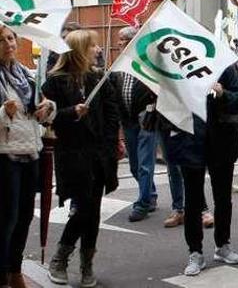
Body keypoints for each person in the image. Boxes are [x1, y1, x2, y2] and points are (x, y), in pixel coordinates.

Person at [43, 30, 120, 288]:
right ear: (78, 50)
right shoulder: (54, 82)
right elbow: (45, 117)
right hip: (73, 155)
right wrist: (70, 112)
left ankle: (87, 263)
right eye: (92, 46)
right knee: (85, 208)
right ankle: (61, 258)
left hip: (98, 155)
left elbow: (112, 114)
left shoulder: (99, 78)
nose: (97, 50)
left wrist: (110, 146)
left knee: (93, 210)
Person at [164, 64, 238, 277]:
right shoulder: (178, 66)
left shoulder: (224, 64)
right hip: (190, 140)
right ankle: (195, 252)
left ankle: (223, 245)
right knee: (192, 201)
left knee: (223, 198)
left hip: (222, 142)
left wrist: (222, 93)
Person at [0, 27, 54, 288]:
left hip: (31, 152)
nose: (7, 43)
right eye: (1, 40)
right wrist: (3, 112)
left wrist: (48, 107)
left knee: (24, 216)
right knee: (6, 218)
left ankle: (15, 269)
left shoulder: (26, 75)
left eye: (10, 38)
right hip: (5, 156)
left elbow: (41, 109)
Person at [112, 27, 160, 223]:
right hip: (129, 119)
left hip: (146, 117)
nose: (119, 43)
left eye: (122, 40)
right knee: (134, 165)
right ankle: (152, 194)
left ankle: (142, 204)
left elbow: (160, 88)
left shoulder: (148, 63)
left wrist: (153, 107)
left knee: (144, 164)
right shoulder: (120, 64)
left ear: (133, 41)